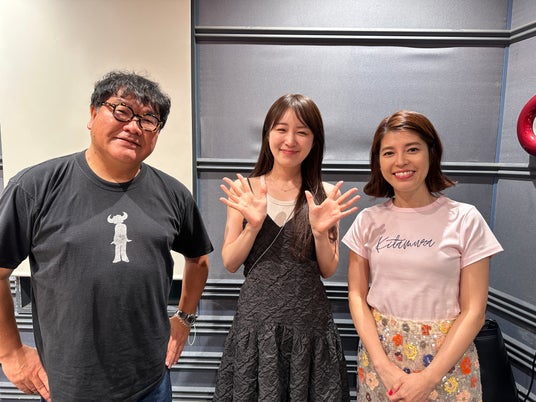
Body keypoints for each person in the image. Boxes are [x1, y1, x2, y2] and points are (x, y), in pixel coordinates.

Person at [0, 71, 214, 402]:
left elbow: (198, 259)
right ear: (92, 114)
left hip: (151, 384)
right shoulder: (35, 188)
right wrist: (10, 352)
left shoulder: (173, 195)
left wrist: (184, 318)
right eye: (122, 111)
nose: (134, 127)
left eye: (148, 120)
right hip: (67, 387)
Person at [342, 110, 504, 401]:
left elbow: (474, 312)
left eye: (412, 149)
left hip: (448, 363)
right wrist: (383, 367)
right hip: (382, 360)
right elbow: (356, 295)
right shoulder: (367, 221)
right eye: (389, 152)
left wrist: (429, 378)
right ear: (378, 162)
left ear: (432, 153)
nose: (400, 161)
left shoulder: (465, 219)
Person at [213, 93, 360, 401]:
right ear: (268, 133)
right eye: (281, 129)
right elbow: (230, 261)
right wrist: (253, 226)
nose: (290, 140)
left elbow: (328, 269)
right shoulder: (245, 189)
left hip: (309, 324)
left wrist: (320, 232)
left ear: (314, 141)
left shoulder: (325, 194)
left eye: (302, 132)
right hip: (257, 325)